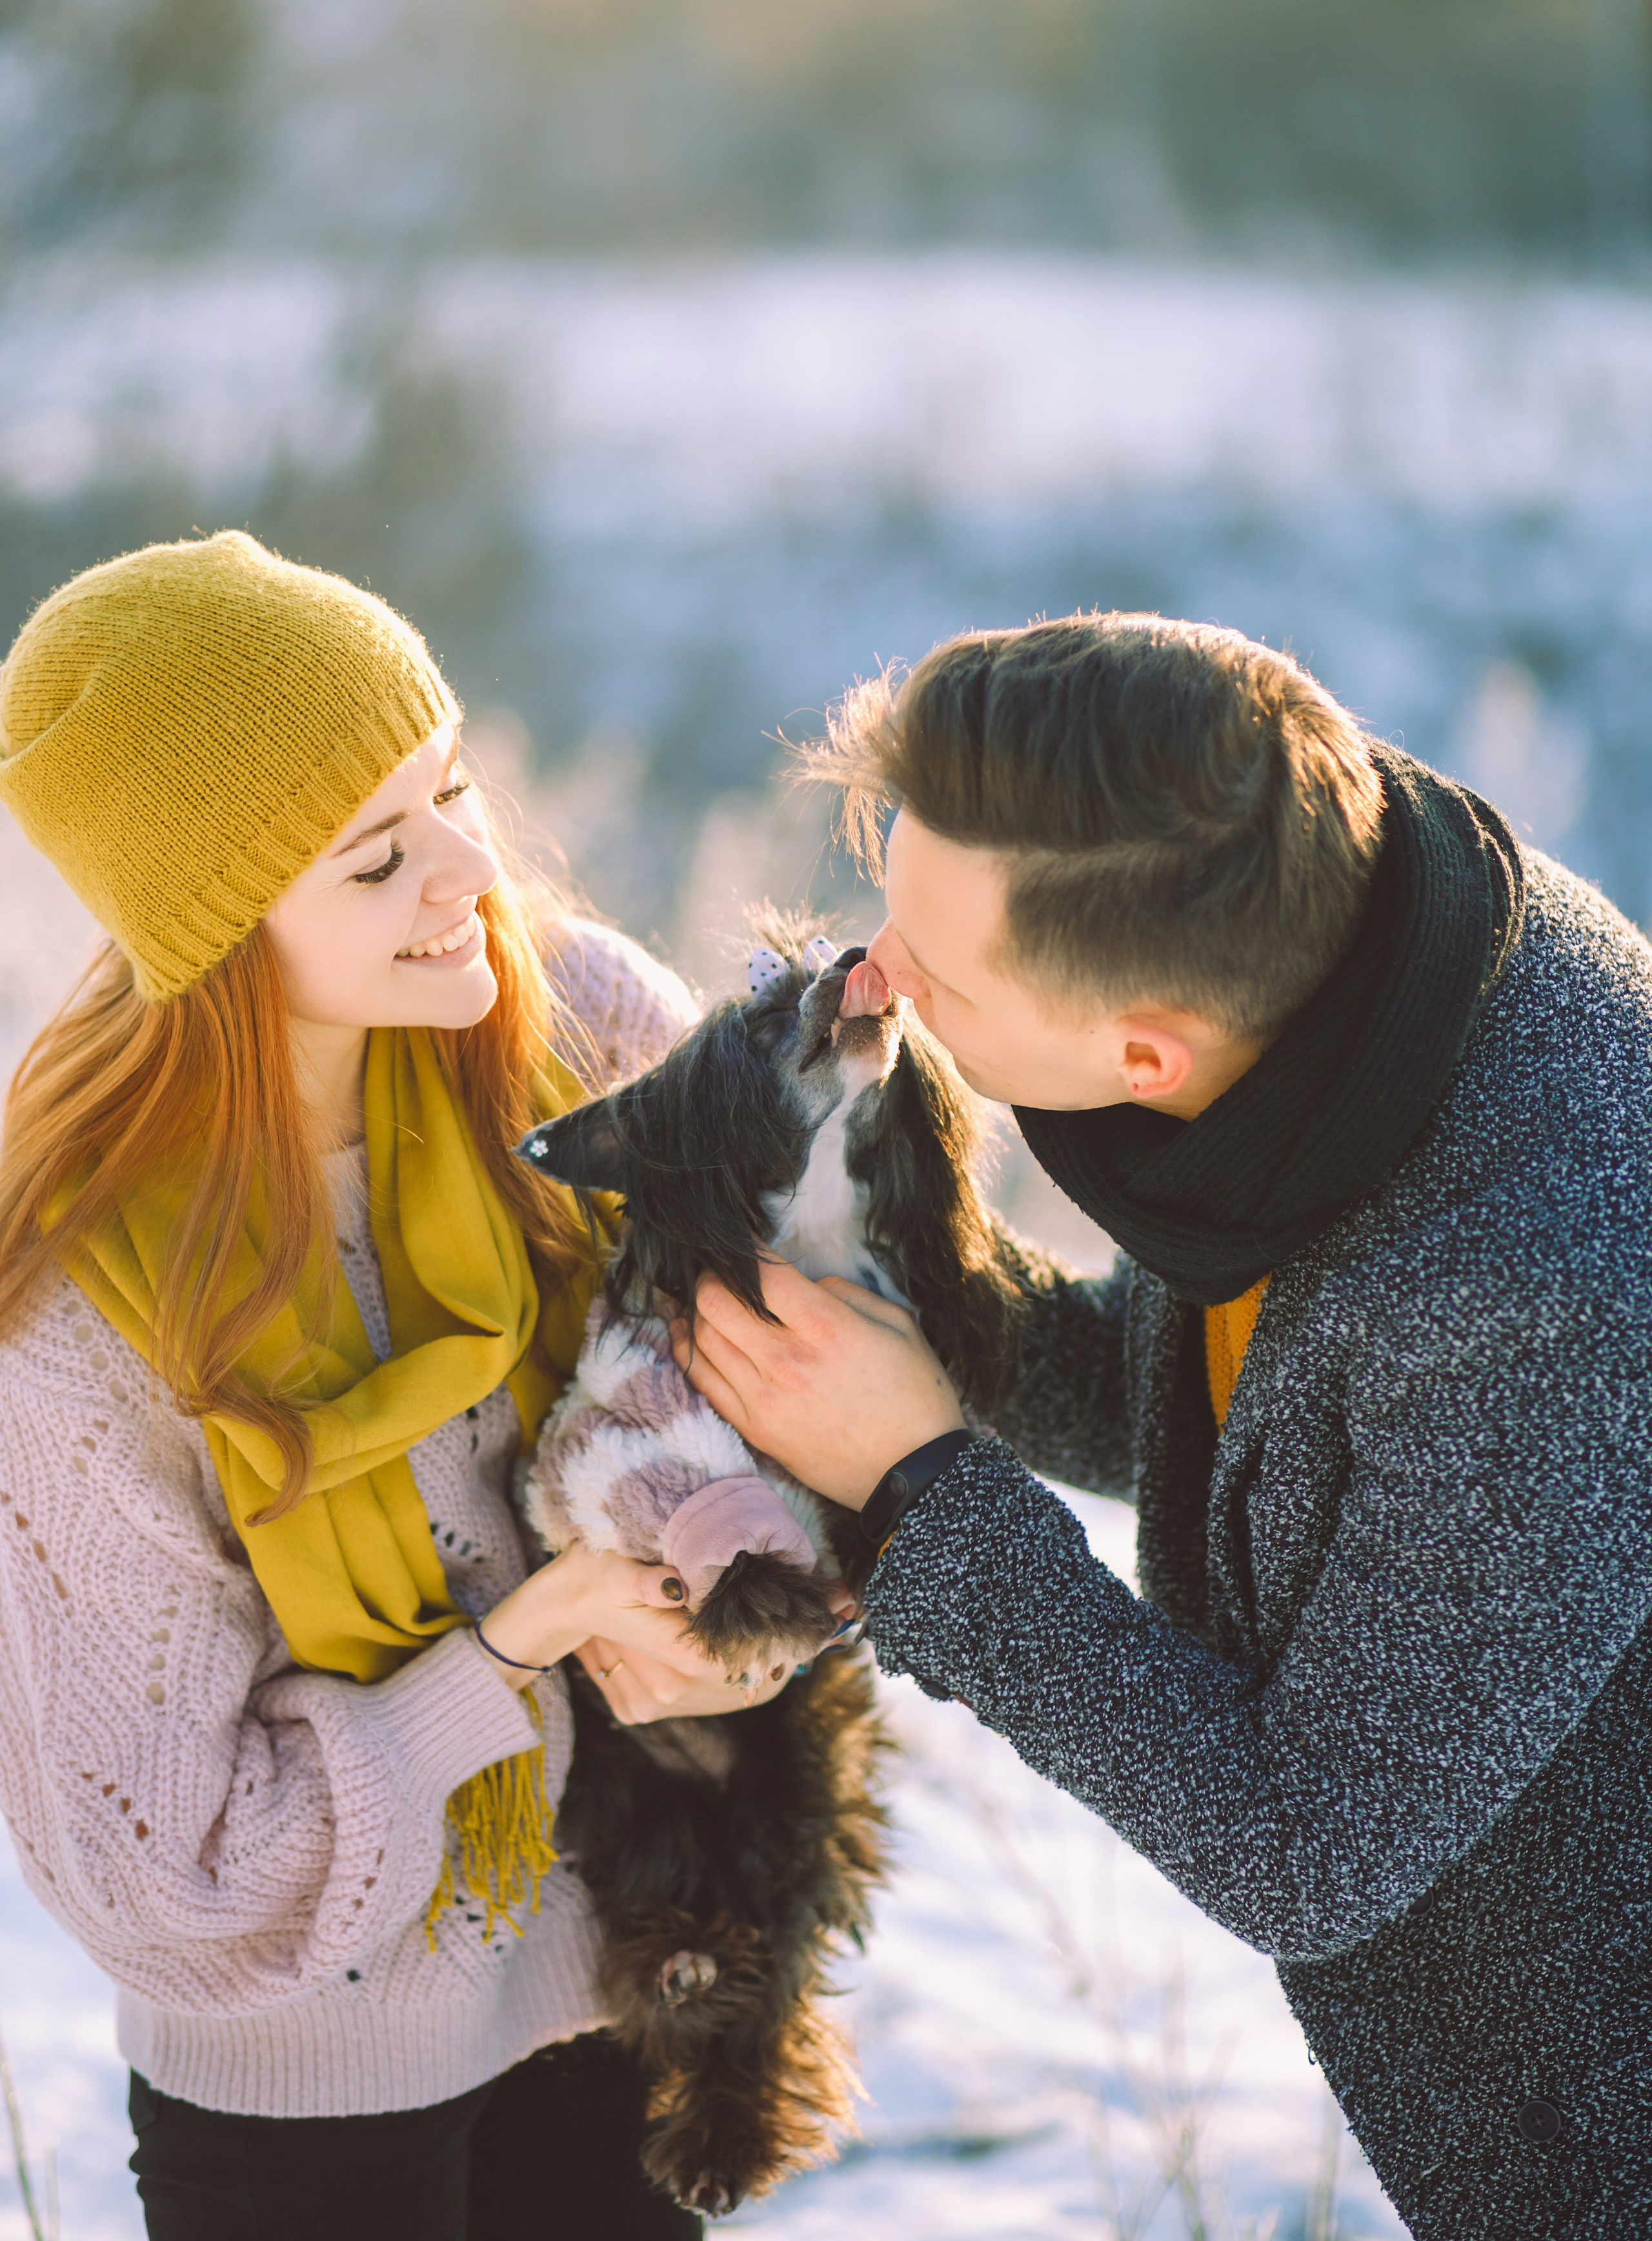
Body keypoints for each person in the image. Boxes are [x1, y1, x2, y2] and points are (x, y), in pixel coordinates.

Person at [678, 612, 1652, 2241]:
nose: (874, 981)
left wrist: (923, 1490)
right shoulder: (1308, 921)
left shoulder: (1545, 1289)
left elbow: (1307, 1841)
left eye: (933, 969)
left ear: (1142, 1051)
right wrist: (913, 1294)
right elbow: (1218, 1405)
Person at [0, 531, 777, 2241]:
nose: (461, 879)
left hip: (619, 1969)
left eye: (451, 794)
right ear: (211, 942)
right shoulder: (84, 1310)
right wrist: (520, 1643)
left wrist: (730, 1616)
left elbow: (816, 1405)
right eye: (373, 863)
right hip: (309, 2079)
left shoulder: (581, 1036)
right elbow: (171, 1880)